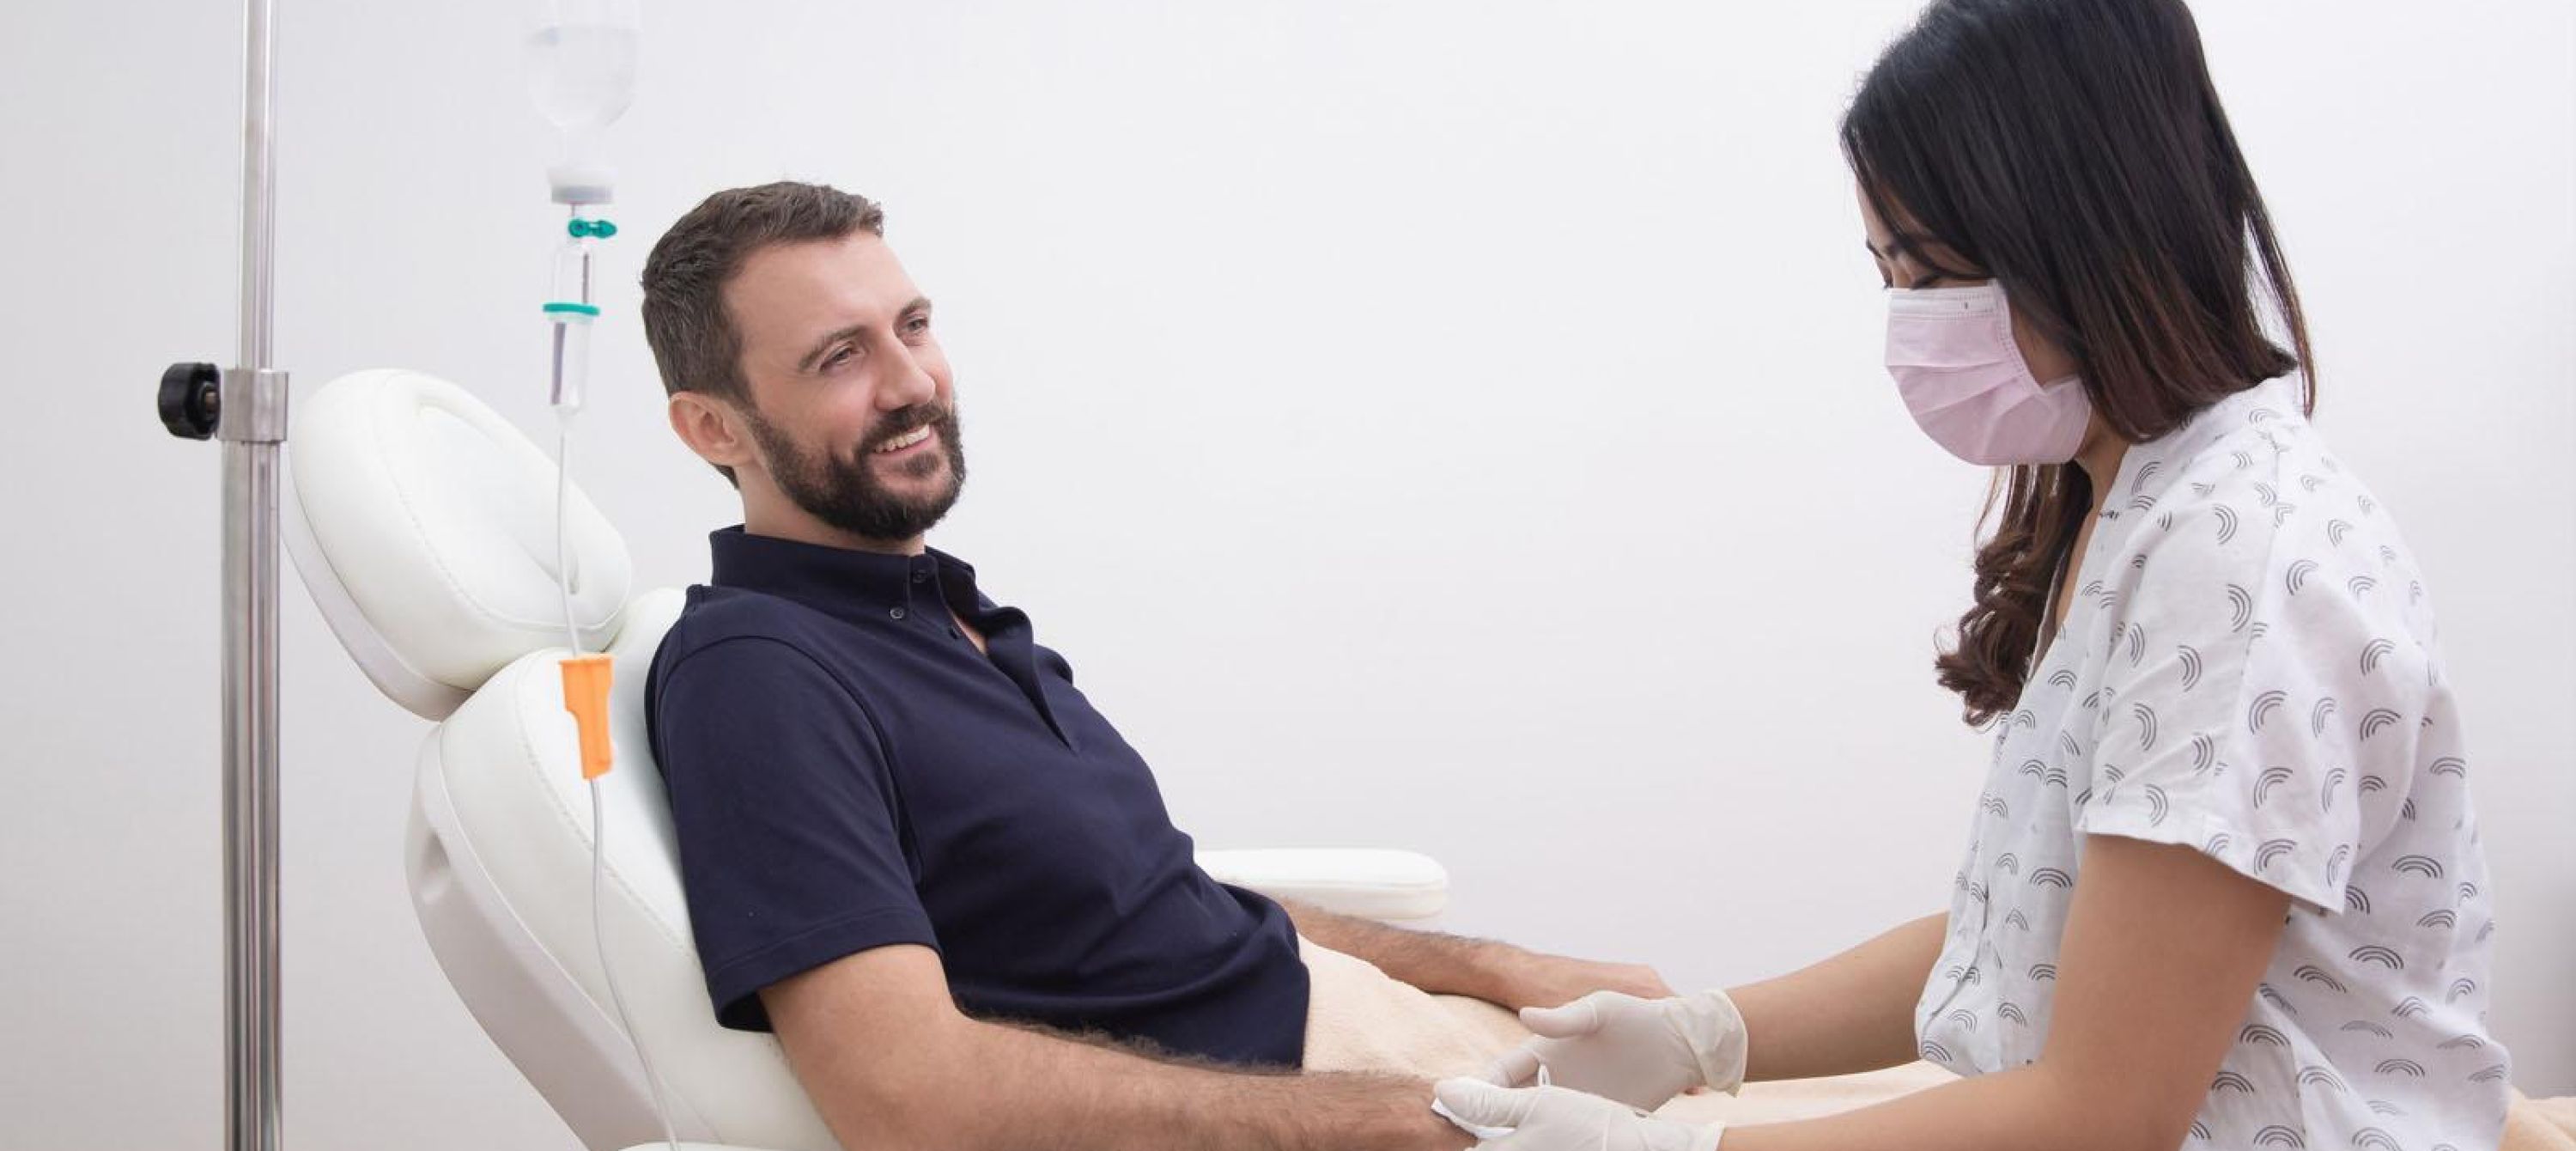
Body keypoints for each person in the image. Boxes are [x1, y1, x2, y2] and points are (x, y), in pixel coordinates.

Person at [1432, 2, 2509, 1149]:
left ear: (2090, 235)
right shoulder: (2137, 505)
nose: (1911, 323)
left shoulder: (2240, 558)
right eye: (1889, 275)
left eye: (1936, 271)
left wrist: (1688, 1146)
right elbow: (2025, 939)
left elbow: (2105, 1113)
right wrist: (1703, 1034)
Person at [636, 180, 1667, 1151]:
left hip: (1387, 1045)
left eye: (913, 326)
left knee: (1734, 1035)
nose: (913, 383)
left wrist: (1497, 968)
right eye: (839, 357)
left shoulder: (952, 618)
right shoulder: (756, 671)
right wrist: (1404, 1117)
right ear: (713, 426)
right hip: (1335, 1102)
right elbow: (907, 1093)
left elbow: (1161, 903)